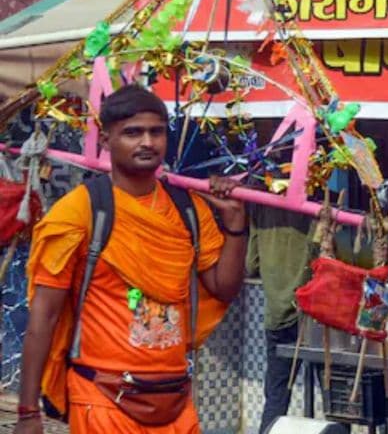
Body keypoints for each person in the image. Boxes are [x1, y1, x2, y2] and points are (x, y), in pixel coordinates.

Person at [14, 85, 248, 434]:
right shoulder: (79, 212)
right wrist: (28, 412)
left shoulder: (187, 208)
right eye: (132, 133)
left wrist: (236, 227)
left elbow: (224, 288)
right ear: (106, 141)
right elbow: (43, 317)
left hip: (174, 399)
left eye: (156, 132)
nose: (147, 142)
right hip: (102, 397)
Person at [246, 205, 315, 433]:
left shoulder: (262, 207)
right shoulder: (317, 208)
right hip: (316, 318)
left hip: (277, 315)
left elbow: (251, 264)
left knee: (276, 398)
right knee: (333, 396)